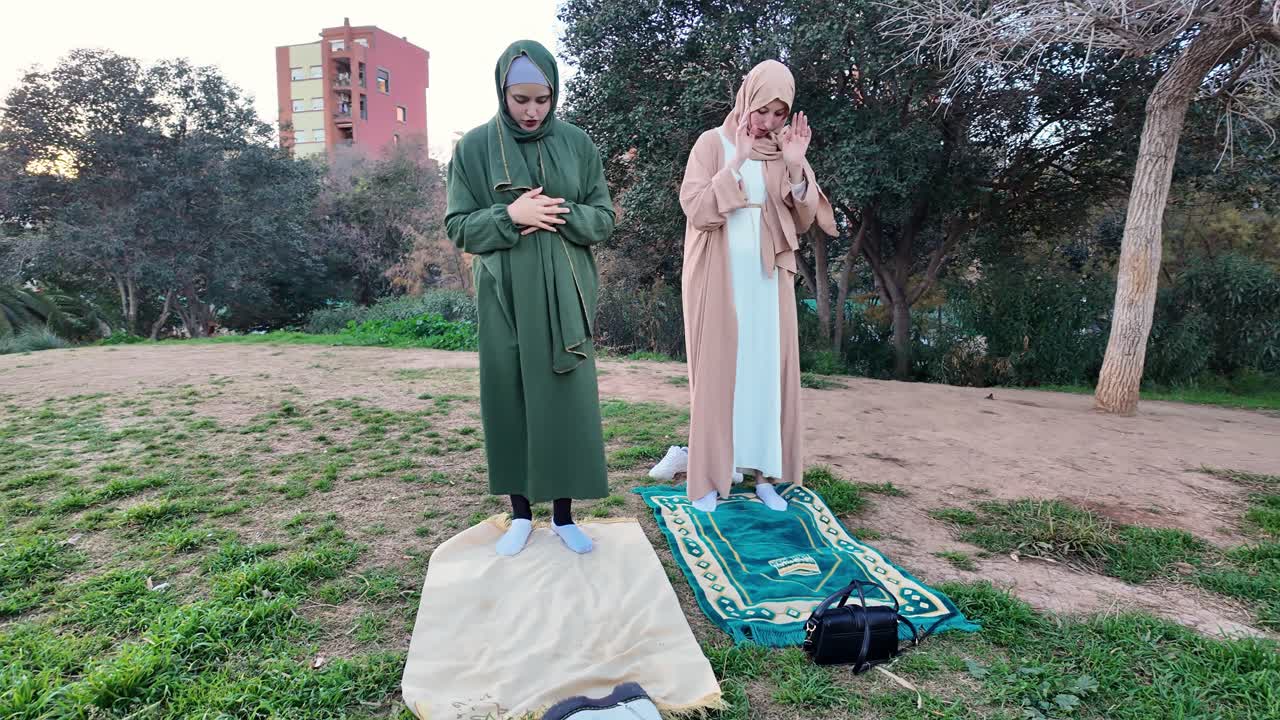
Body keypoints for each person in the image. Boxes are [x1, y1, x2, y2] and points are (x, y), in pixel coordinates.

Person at [445, 40, 615, 555]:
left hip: (567, 296)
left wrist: (558, 213)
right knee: (510, 397)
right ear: (502, 92)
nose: (532, 111)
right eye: (520, 99)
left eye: (541, 99)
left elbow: (603, 218)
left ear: (553, 93)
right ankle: (520, 513)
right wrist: (510, 217)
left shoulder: (578, 144)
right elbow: (458, 227)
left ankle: (563, 516)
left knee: (565, 402)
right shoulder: (473, 148)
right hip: (504, 299)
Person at [678, 60, 837, 513]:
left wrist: (795, 167)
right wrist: (737, 162)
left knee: (765, 373)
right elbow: (697, 210)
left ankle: (765, 474)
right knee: (718, 375)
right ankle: (710, 477)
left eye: (778, 114)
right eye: (761, 110)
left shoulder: (783, 150)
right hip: (718, 277)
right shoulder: (713, 143)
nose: (766, 122)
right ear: (746, 98)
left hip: (769, 283)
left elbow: (804, 220)